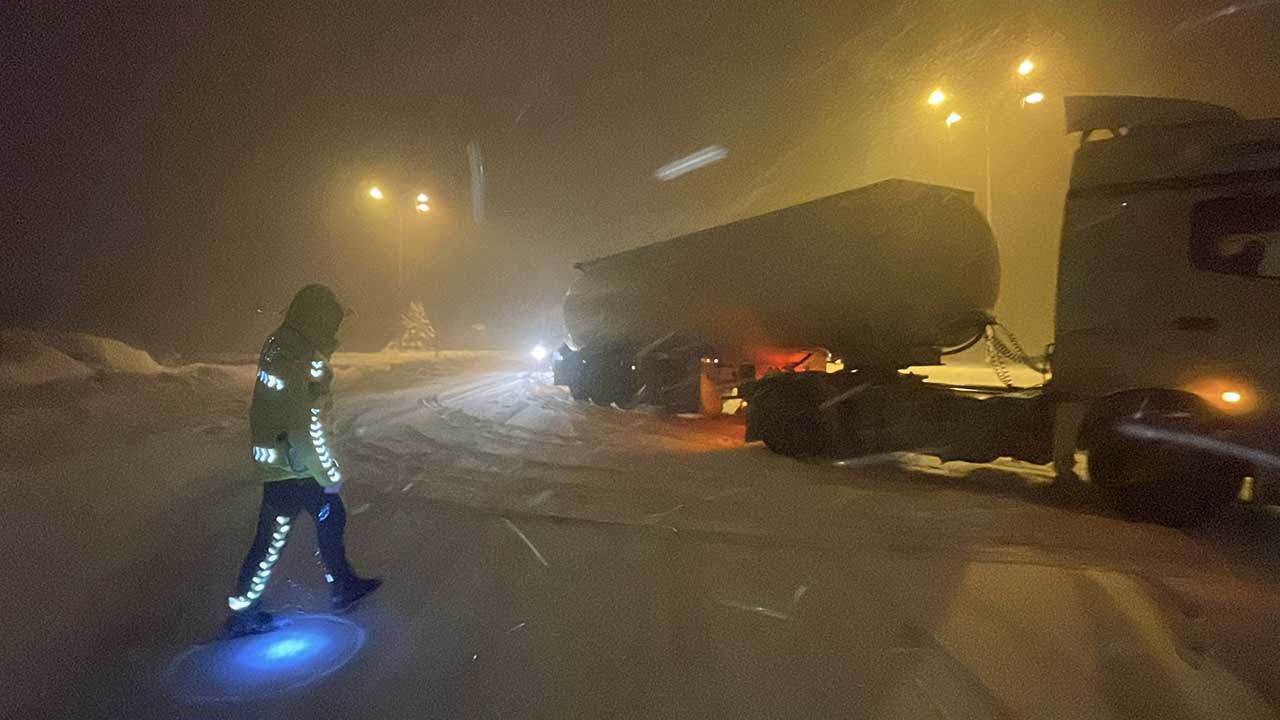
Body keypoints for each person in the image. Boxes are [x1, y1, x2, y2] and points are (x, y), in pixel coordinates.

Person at [225, 284, 381, 636]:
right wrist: (327, 473)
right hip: (295, 465)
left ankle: (339, 584)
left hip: (284, 461)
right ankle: (247, 610)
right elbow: (301, 424)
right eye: (331, 323)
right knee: (284, 530)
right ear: (316, 320)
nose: (334, 332)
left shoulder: (285, 346)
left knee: (301, 525)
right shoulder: (296, 357)